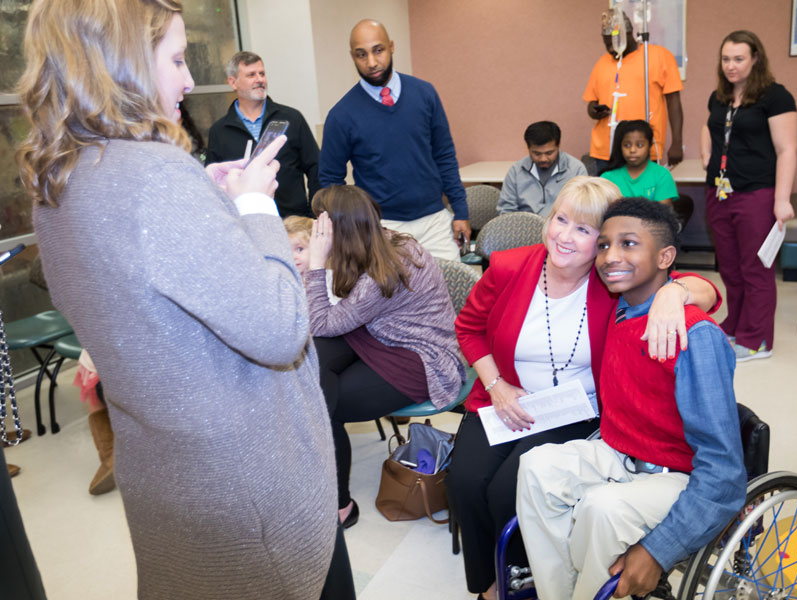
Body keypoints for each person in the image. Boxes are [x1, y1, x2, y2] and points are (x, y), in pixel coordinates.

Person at [17, 1, 355, 598]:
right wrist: (253, 207)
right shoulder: (157, 175)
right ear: (119, 62)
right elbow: (280, 327)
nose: (189, 79)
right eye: (175, 58)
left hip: (166, 476)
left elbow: (142, 309)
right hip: (249, 483)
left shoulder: (56, 181)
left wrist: (211, 203)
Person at [447, 177, 718, 600]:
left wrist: (676, 292)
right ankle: (489, 584)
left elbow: (704, 292)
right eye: (560, 219)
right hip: (505, 397)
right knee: (464, 481)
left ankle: (526, 578)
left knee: (508, 487)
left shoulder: (614, 279)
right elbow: (468, 327)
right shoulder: (509, 266)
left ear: (602, 242)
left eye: (584, 230)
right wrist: (496, 385)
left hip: (575, 408)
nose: (564, 236)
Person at [516, 198, 745, 600]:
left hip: (679, 474)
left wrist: (660, 549)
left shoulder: (694, 335)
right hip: (620, 450)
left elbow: (724, 473)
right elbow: (703, 288)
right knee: (536, 466)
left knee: (601, 509)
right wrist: (677, 288)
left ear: (665, 257)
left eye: (628, 244)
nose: (610, 257)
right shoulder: (620, 306)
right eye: (603, 245)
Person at [307, 185, 464, 528]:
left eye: (320, 223)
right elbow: (325, 326)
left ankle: (340, 506)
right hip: (381, 334)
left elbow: (319, 321)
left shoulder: (385, 271)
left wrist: (315, 263)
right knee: (315, 363)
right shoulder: (382, 240)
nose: (314, 230)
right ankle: (313, 463)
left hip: (420, 358)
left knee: (323, 403)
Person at [318, 19, 469, 261]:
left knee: (450, 295)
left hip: (435, 222)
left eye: (378, 50)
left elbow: (444, 155)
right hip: (381, 228)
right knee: (394, 299)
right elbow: (330, 181)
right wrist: (350, 229)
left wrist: (460, 210)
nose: (372, 62)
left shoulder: (425, 93)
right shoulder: (341, 115)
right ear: (352, 57)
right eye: (361, 55)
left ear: (391, 46)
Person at [700, 30, 797, 362]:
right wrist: (705, 153)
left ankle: (757, 340)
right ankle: (735, 324)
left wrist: (782, 200)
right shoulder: (720, 97)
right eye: (726, 59)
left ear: (756, 58)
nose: (731, 66)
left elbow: (787, 150)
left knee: (755, 268)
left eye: (739, 59)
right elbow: (709, 126)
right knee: (729, 266)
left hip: (757, 194)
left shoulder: (776, 97)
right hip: (720, 192)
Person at [206, 51, 321, 218]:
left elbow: (315, 167)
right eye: (251, 75)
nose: (260, 79)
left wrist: (312, 214)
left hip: (294, 223)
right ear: (233, 82)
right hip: (246, 223)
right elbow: (214, 185)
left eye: (262, 73)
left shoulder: (291, 118)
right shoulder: (219, 131)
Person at [584, 9, 684, 171]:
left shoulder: (658, 56)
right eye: (606, 43)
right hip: (605, 152)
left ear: (628, 34)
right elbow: (591, 104)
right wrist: (595, 111)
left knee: (642, 197)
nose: (610, 49)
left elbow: (674, 101)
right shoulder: (602, 63)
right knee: (608, 197)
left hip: (643, 149)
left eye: (613, 43)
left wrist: (677, 143)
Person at [497, 121, 587, 216]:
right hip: (524, 227)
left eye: (549, 153)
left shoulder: (576, 169)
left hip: (563, 227)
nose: (543, 159)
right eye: (537, 153)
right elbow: (506, 210)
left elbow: (583, 209)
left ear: (558, 145)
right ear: (528, 148)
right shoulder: (516, 171)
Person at [601, 120, 678, 205]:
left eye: (640, 145)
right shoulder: (607, 178)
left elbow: (662, 214)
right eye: (627, 145)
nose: (632, 150)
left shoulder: (662, 175)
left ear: (650, 145)